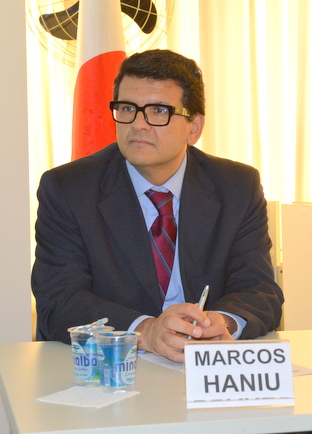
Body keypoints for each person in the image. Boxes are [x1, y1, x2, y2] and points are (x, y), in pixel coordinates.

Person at [32, 49, 284, 362]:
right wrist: (146, 332)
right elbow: (58, 300)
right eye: (128, 108)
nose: (139, 124)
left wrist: (223, 322)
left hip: (202, 363)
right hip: (110, 367)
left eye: (159, 111)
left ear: (194, 127)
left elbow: (260, 290)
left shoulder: (236, 186)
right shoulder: (69, 188)